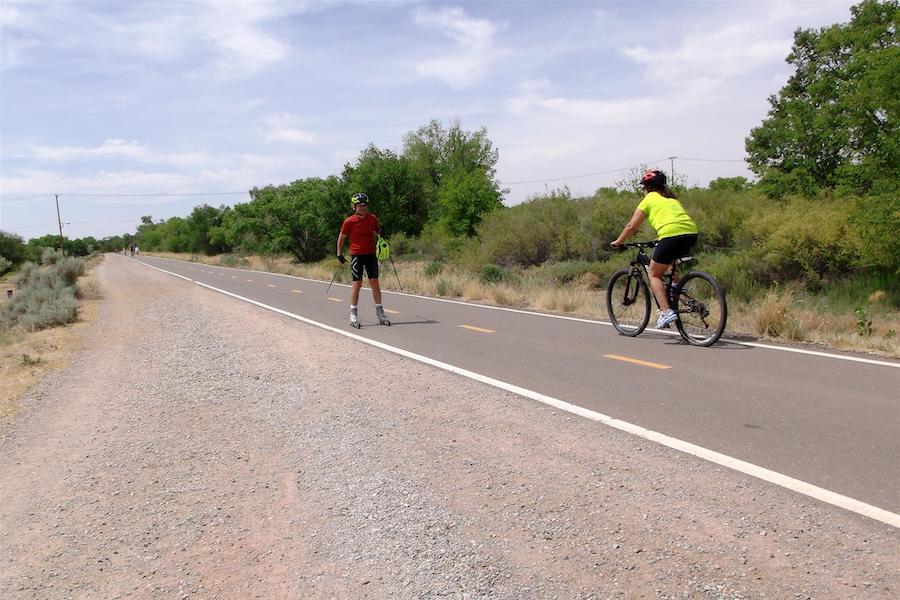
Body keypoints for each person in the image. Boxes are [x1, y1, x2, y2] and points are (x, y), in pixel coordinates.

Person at [611, 169, 698, 329]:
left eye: (643, 187)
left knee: (654, 274)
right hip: (691, 234)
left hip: (671, 235)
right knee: (668, 262)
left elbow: (631, 226)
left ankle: (666, 312)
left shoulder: (649, 199)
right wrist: (659, 239)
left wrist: (618, 241)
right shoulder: (671, 199)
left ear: (647, 187)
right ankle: (678, 288)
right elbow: (675, 222)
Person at [336, 193, 390, 327]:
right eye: (359, 206)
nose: (363, 208)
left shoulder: (372, 218)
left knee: (375, 283)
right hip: (357, 256)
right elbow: (342, 237)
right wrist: (339, 253)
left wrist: (381, 232)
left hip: (371, 254)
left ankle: (380, 313)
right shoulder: (349, 221)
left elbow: (377, 231)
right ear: (354, 207)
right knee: (357, 284)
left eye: (364, 205)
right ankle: (353, 314)